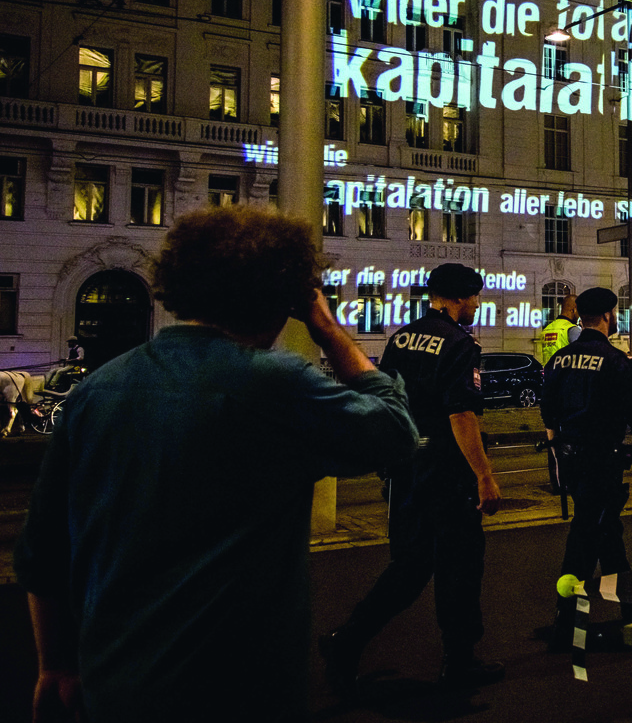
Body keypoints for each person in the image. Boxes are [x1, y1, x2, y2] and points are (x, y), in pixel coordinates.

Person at [15, 205, 419, 723]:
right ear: (284, 295)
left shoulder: (100, 388)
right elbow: (395, 433)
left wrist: (54, 666)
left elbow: (43, 551)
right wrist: (326, 328)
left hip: (113, 680)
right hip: (236, 685)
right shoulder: (272, 383)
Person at [320, 263, 505, 692]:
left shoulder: (401, 337)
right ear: (459, 298)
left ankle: (347, 639)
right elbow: (461, 413)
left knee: (410, 566)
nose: (477, 305)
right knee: (459, 567)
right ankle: (459, 662)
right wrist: (484, 475)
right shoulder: (460, 343)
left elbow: (388, 400)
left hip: (407, 469)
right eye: (474, 298)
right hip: (447, 472)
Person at [541, 287, 632, 650]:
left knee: (608, 535)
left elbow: (548, 413)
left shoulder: (559, 360)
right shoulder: (616, 362)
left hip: (571, 461)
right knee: (585, 541)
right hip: (602, 461)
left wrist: (559, 456)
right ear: (607, 316)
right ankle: (565, 622)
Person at [537, 293, 580, 366]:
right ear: (574, 310)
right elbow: (580, 357)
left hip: (548, 373)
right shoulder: (573, 329)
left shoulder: (547, 329)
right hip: (565, 374)